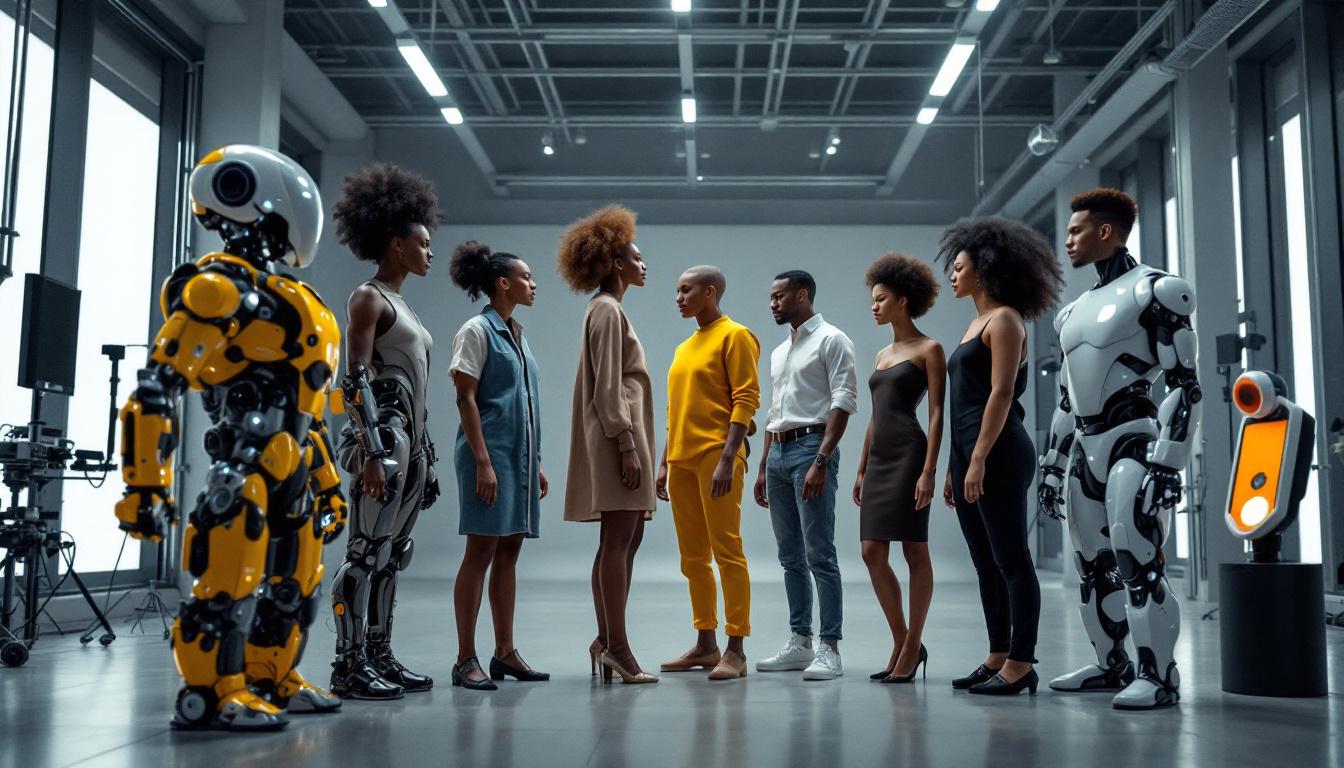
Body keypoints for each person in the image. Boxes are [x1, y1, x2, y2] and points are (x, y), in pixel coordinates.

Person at [115, 145, 345, 729]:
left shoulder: (289, 296)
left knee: (296, 583)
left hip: (291, 463)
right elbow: (155, 390)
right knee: (228, 581)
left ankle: (272, 676)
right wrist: (145, 486)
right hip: (242, 464)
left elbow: (307, 411)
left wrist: (328, 482)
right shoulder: (216, 290)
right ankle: (215, 691)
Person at [1040, 188, 1198, 710]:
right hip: (1085, 446)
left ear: (1106, 231)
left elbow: (1183, 384)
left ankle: (1159, 677)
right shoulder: (1072, 313)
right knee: (1093, 565)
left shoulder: (1157, 290)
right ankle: (1113, 666)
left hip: (1134, 439)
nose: (1068, 240)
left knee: (1137, 558)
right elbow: (1068, 397)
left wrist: (1170, 461)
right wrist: (1052, 464)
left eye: (1076, 230)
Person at [329, 162, 440, 700]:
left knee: (394, 553)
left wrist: (426, 457)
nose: (429, 252)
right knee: (366, 552)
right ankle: (347, 666)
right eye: (422, 243)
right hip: (385, 444)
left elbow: (417, 386)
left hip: (412, 447)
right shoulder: (367, 297)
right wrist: (372, 452)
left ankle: (379, 655)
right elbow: (352, 381)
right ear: (396, 244)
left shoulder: (405, 305)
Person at [939, 217, 1062, 696]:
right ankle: (996, 654)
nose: (952, 273)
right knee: (986, 564)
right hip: (971, 453)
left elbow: (1001, 393)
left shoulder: (1006, 319)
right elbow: (961, 403)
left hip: (1000, 453)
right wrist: (957, 463)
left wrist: (978, 459)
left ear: (984, 270)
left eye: (959, 266)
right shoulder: (976, 322)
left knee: (1013, 561)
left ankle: (1022, 661)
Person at [558, 205, 658, 685]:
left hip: (621, 438)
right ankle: (618, 647)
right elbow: (607, 389)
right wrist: (626, 444)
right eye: (637, 258)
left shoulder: (606, 310)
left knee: (622, 540)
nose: (644, 264)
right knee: (619, 541)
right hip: (618, 441)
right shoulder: (607, 310)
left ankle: (606, 641)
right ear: (617, 264)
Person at [448, 242, 549, 691]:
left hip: (517, 459)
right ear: (503, 283)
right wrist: (483, 463)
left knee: (510, 550)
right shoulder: (477, 330)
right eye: (527, 277)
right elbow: (466, 398)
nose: (534, 284)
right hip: (487, 457)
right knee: (480, 553)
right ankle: (465, 658)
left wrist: (536, 463)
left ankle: (505, 652)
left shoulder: (518, 333)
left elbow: (521, 403)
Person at [656, 265, 761, 681]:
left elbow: (746, 398)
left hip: (717, 455)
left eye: (687, 290)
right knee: (693, 558)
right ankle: (706, 643)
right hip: (681, 460)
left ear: (710, 291)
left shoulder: (736, 335)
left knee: (727, 551)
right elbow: (675, 410)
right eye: (677, 290)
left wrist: (727, 457)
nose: (679, 297)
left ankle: (736, 649)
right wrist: (665, 461)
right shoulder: (685, 347)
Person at [752, 270, 856, 681]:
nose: (773, 304)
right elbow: (774, 412)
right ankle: (801, 641)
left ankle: (830, 648)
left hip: (811, 449)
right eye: (771, 298)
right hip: (777, 453)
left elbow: (842, 401)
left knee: (820, 553)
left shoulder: (832, 339)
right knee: (789, 556)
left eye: (779, 297)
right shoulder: (780, 351)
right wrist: (762, 466)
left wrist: (822, 460)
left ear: (803, 294)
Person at [852, 253, 945, 685]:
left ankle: (912, 644)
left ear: (903, 301)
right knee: (872, 551)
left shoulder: (930, 349)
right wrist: (861, 466)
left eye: (881, 299)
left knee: (913, 550)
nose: (874, 306)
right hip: (880, 458)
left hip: (910, 454)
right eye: (873, 299)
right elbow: (875, 413)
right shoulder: (882, 353)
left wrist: (929, 471)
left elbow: (937, 413)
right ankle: (902, 638)